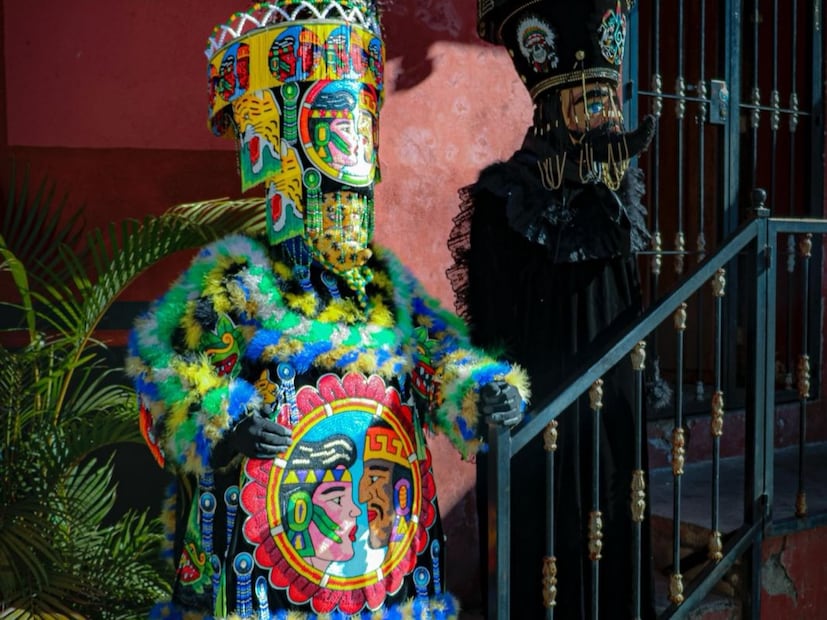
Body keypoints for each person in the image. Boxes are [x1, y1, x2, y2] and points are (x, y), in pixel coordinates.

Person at [126, 1, 528, 618]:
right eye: (334, 198)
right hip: (268, 566)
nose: (350, 212)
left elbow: (440, 363)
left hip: (381, 558)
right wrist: (221, 422)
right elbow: (165, 373)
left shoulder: (387, 290)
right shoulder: (238, 280)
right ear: (293, 189)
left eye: (358, 199)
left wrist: (483, 390)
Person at [447, 1, 656, 618]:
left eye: (607, 102)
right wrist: (493, 393)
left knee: (615, 518)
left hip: (610, 399)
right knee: (549, 532)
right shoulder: (506, 197)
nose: (604, 118)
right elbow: (486, 322)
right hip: (541, 398)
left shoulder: (616, 195)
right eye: (587, 103)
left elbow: (629, 296)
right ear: (552, 107)